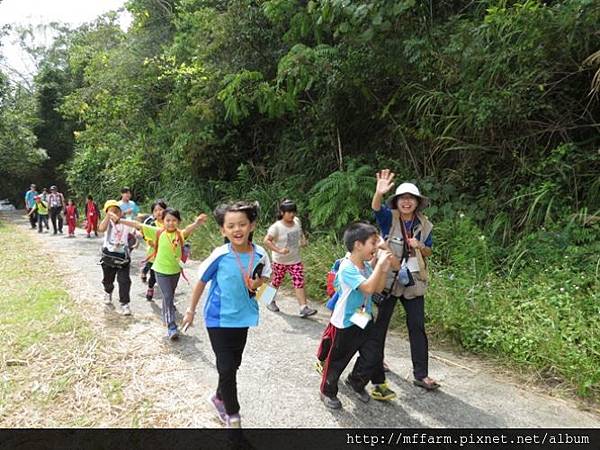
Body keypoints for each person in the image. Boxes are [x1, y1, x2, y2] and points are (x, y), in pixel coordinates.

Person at [181, 201, 271, 428]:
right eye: (231, 226)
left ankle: (219, 396)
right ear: (223, 230)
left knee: (234, 363)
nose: (237, 229)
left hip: (243, 318)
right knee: (227, 366)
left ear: (251, 225)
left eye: (242, 224)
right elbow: (201, 281)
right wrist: (190, 311)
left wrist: (257, 283)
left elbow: (266, 282)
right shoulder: (220, 255)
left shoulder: (260, 253)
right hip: (218, 319)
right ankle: (233, 415)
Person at [369, 169, 439, 393]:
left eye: (411, 199)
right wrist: (379, 192)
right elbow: (376, 208)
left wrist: (420, 246)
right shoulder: (389, 218)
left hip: (413, 279)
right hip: (388, 277)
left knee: (417, 326)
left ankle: (421, 375)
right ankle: (376, 363)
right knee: (380, 325)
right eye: (402, 198)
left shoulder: (425, 225)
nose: (407, 202)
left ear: (417, 203)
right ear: (397, 202)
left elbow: (428, 251)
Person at [319, 222, 392, 410]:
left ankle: (355, 381)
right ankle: (327, 391)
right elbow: (367, 287)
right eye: (373, 243)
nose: (376, 247)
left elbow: (378, 288)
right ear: (358, 245)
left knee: (372, 356)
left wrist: (382, 269)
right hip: (344, 323)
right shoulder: (347, 268)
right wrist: (379, 265)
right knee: (337, 361)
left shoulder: (366, 266)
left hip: (364, 319)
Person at [118, 208, 207, 338]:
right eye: (168, 220)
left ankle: (169, 318)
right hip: (160, 271)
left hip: (175, 271)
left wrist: (198, 222)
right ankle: (171, 326)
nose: (171, 223)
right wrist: (119, 220)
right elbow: (137, 225)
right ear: (163, 221)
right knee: (168, 296)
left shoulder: (180, 235)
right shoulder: (158, 232)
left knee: (169, 296)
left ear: (178, 221)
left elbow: (189, 229)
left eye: (174, 220)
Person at [263, 200, 317, 317]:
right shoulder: (276, 227)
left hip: (295, 260)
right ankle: (267, 299)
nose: (292, 214)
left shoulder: (297, 221)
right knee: (276, 281)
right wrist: (279, 250)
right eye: (289, 212)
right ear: (282, 213)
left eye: (293, 212)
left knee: (299, 281)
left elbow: (300, 232)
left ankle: (303, 308)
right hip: (280, 261)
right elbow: (266, 241)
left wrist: (302, 240)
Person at [98, 200, 137, 316]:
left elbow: (135, 227)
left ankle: (125, 304)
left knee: (124, 281)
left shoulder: (126, 222)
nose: (114, 212)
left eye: (116, 210)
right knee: (108, 280)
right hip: (109, 255)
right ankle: (108, 292)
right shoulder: (108, 223)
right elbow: (101, 229)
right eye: (111, 210)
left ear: (120, 211)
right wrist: (108, 216)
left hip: (123, 257)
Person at [140, 200, 167, 300]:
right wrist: (150, 241)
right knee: (153, 276)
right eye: (156, 210)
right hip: (154, 254)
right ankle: (150, 288)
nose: (159, 212)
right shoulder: (151, 224)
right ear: (153, 213)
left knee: (166, 276)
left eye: (161, 209)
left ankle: (167, 296)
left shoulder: (169, 223)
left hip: (166, 255)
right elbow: (146, 236)